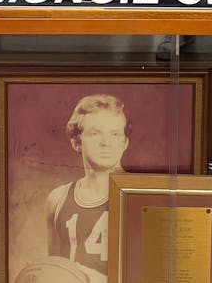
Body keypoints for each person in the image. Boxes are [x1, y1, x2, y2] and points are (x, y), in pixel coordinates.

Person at [45, 95, 131, 283]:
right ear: (76, 142)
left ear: (125, 142)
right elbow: (53, 270)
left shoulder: (140, 196)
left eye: (115, 134)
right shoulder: (57, 199)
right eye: (95, 134)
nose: (106, 143)